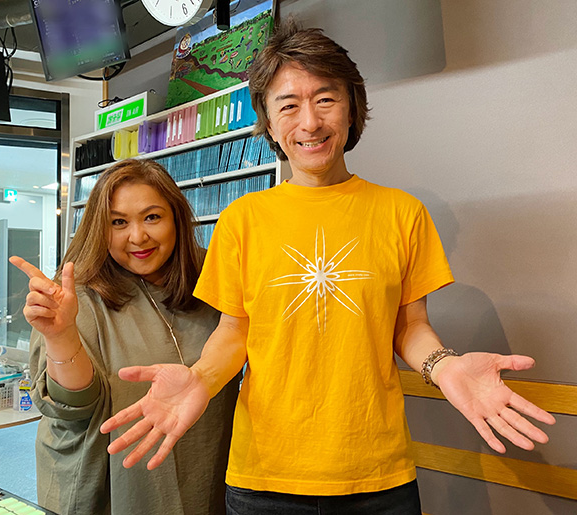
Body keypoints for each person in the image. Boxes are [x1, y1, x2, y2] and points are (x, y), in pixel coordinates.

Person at [100, 20, 556, 514]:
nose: (310, 123)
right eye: (288, 105)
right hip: (264, 479)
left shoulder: (402, 213)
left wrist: (445, 367)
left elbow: (409, 326)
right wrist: (201, 379)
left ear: (352, 108)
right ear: (268, 121)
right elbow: (235, 332)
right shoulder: (242, 219)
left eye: (325, 99)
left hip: (378, 477)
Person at [10, 159, 239, 515]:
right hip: (109, 482)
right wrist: (61, 336)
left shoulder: (214, 283)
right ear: (99, 229)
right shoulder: (78, 297)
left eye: (152, 217)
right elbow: (72, 405)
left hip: (205, 474)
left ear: (177, 219)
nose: (138, 236)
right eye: (118, 222)